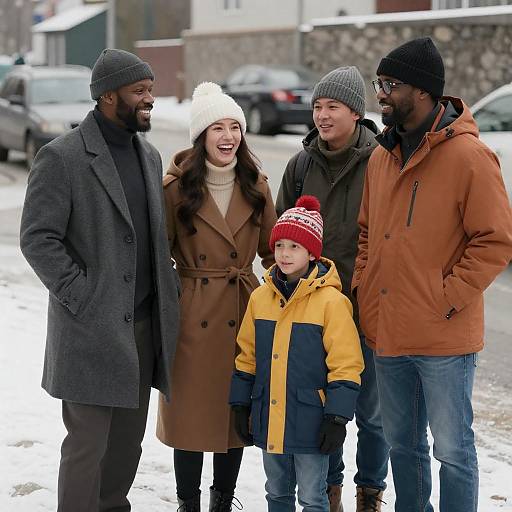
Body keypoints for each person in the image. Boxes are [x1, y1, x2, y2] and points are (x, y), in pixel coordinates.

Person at [353, 37, 512, 512]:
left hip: (444, 337)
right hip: (389, 334)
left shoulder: (470, 157)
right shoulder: (382, 156)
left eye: (389, 84)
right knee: (404, 447)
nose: (380, 93)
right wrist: (364, 289)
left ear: (421, 92)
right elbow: (366, 234)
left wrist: (446, 297)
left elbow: (495, 241)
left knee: (452, 451)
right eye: (379, 83)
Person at [19, 48, 180, 512]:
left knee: (127, 448)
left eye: (151, 89)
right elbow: (38, 239)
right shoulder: (62, 157)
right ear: (109, 97)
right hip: (90, 330)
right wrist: (83, 294)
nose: (150, 99)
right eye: (140, 91)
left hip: (143, 329)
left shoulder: (149, 156)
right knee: (87, 447)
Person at [155, 81, 277, 511]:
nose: (228, 137)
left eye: (235, 127)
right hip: (192, 312)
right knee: (189, 413)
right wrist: (173, 301)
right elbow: (158, 254)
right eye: (217, 128)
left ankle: (222, 500)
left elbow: (273, 253)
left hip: (241, 309)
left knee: (234, 413)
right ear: (201, 136)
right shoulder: (174, 189)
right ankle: (188, 502)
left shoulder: (256, 186)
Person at [276, 66, 388, 512]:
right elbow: (280, 235)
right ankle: (330, 491)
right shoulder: (301, 165)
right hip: (315, 314)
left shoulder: (382, 159)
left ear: (356, 112)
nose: (322, 115)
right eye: (318, 107)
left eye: (332, 107)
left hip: (368, 310)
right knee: (326, 408)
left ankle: (370, 493)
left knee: (373, 414)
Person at [230, 195, 364, 512]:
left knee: (312, 497)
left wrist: (337, 417)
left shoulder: (331, 302)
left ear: (311, 252)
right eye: (280, 246)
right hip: (268, 414)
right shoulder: (261, 297)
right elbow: (246, 355)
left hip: (312, 420)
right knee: (276, 492)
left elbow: (346, 364)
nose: (285, 254)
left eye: (295, 247)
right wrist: (240, 402)